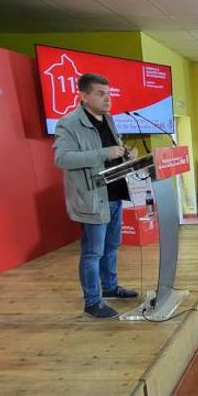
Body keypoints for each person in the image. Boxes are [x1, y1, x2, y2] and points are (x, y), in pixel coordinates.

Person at [53, 73, 139, 319]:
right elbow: (62, 159)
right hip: (92, 197)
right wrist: (103, 152)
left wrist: (126, 154)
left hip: (114, 193)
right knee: (93, 253)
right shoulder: (68, 124)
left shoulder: (109, 120)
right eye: (101, 94)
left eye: (108, 93)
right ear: (84, 95)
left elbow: (113, 152)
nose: (107, 99)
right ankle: (92, 302)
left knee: (112, 246)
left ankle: (110, 288)